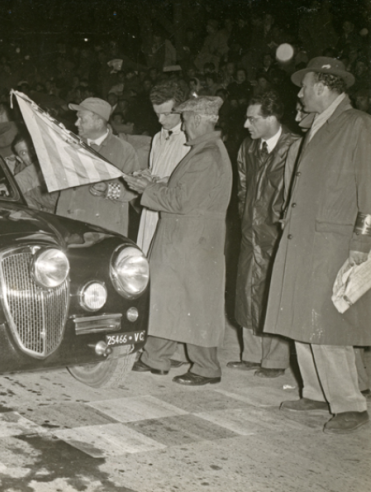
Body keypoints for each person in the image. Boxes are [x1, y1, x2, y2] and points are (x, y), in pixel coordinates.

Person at [266, 57, 371, 434]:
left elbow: (369, 190)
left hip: (334, 240)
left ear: (323, 88)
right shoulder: (320, 125)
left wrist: (362, 241)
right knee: (300, 315)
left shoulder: (357, 124)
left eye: (304, 86)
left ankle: (349, 405)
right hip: (304, 236)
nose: (299, 92)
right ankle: (314, 392)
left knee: (330, 322)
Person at [125, 96, 232, 385]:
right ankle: (155, 357)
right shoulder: (202, 151)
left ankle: (207, 367)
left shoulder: (208, 155)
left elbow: (181, 200)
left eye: (185, 120)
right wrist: (154, 185)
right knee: (165, 295)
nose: (183, 127)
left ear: (197, 120)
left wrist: (149, 187)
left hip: (192, 241)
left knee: (197, 303)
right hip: (182, 239)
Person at [227, 91, 301, 378]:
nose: (247, 124)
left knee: (273, 292)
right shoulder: (247, 147)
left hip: (278, 232)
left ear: (271, 118)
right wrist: (247, 219)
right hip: (251, 230)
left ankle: (275, 360)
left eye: (252, 118)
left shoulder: (294, 146)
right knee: (247, 289)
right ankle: (252, 354)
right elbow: (243, 188)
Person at [55, 97, 143, 235]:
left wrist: (109, 189)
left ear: (98, 120)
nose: (76, 123)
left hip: (103, 229)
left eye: (82, 119)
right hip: (68, 225)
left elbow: (135, 189)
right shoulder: (69, 145)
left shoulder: (124, 150)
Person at [135, 80, 189, 254]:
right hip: (151, 207)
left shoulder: (189, 139)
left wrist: (165, 181)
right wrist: (146, 174)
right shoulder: (158, 137)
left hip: (171, 209)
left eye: (166, 114)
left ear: (181, 110)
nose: (160, 120)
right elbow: (156, 168)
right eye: (157, 114)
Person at [10, 132, 59, 213]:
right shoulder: (19, 173)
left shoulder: (52, 166)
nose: (31, 154)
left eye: (32, 148)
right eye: (24, 153)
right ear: (19, 159)